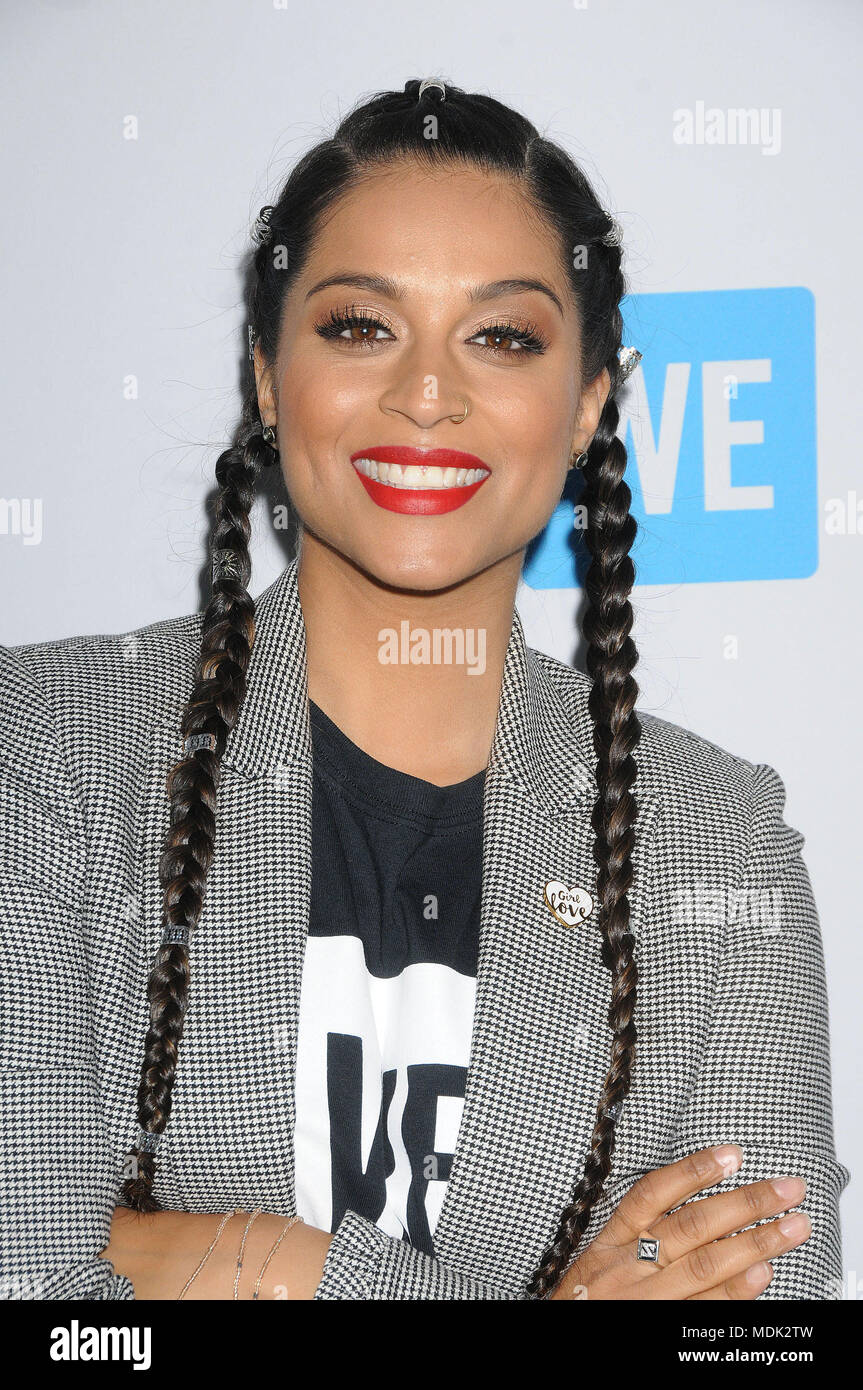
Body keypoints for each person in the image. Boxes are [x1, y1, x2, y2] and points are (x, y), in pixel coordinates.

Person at [0, 78, 848, 1301]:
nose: (427, 393)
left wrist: (221, 1258)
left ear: (588, 407)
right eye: (358, 326)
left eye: (502, 336)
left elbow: (760, 1322)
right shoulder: (42, 751)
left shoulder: (718, 839)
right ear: (264, 374)